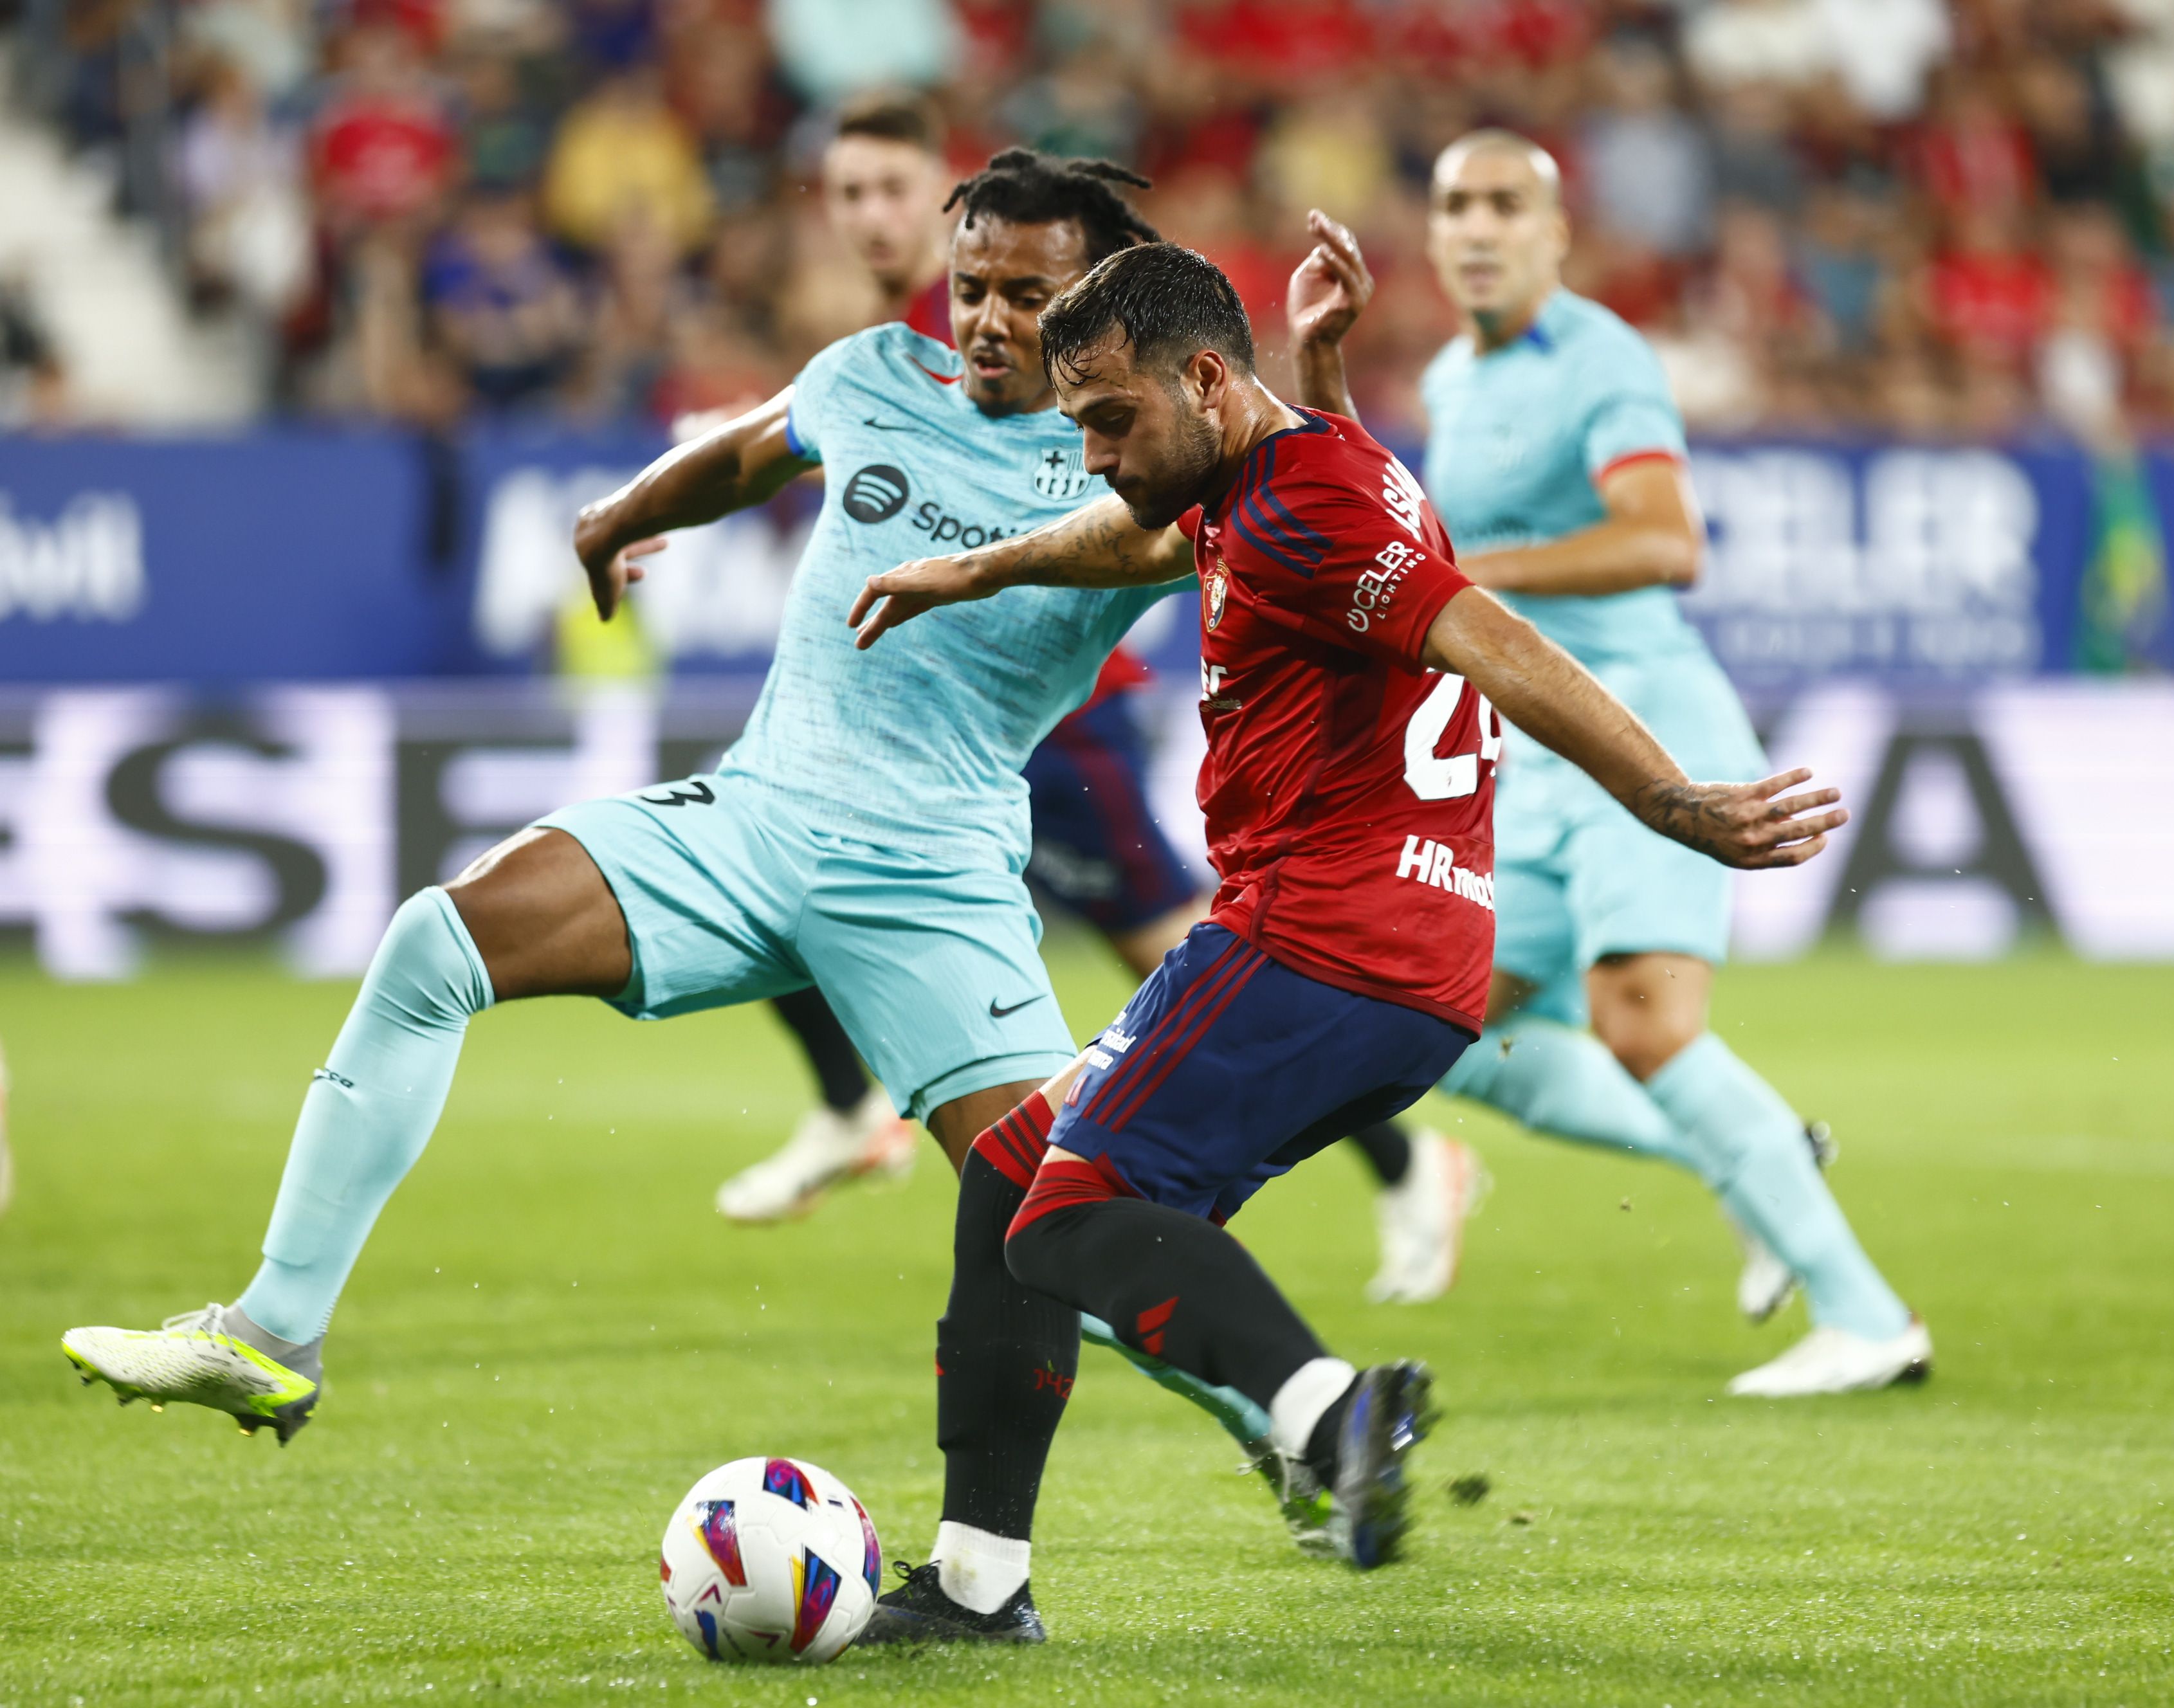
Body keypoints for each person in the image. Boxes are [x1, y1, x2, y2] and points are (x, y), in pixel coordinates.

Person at [51, 156, 1306, 1511]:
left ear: (1100, 310)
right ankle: (271, 1333)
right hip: (753, 819)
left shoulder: (1148, 451)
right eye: (972, 287)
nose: (989, 318)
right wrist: (619, 515)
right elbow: (749, 449)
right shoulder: (878, 372)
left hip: (930, 874)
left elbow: (1314, 492)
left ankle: (1293, 1427)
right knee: (436, 941)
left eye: (1028, 295)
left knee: (1053, 1210)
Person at [841, 242, 1848, 1640]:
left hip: (1322, 933)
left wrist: (1665, 797)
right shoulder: (1311, 456)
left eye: (1111, 418)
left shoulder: (1294, 514)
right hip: (1406, 962)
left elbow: (1482, 632)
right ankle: (976, 1580)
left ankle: (1329, 1414)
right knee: (1013, 1169)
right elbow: (1141, 537)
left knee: (1066, 1213)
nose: (1093, 455)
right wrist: (979, 567)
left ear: (1204, 379)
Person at [720, 94, 1480, 1312]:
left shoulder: (1032, 315)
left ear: (942, 201)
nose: (867, 216)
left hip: (1062, 712)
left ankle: (1389, 1164)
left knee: (1166, 947)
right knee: (791, 841)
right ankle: (870, 1107)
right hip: (939, 699)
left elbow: (1222, 485)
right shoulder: (921, 334)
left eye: (890, 190)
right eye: (845, 191)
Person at [1289, 130, 1930, 1397]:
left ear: (1555, 232)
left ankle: (1868, 1316)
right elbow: (1395, 519)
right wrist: (1321, 369)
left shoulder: (1602, 357)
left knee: (1644, 1024)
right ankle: (1753, 1160)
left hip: (1643, 722)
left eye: (1503, 206)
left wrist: (1476, 582)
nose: (1475, 228)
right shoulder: (1459, 378)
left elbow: (1665, 538)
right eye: (1454, 205)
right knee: (1443, 1018)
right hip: (1536, 753)